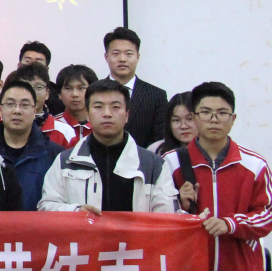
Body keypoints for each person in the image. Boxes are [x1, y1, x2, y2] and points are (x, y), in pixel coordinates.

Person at [163, 82, 272, 271]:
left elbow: (269, 214)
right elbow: (156, 216)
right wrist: (180, 207)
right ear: (194, 117)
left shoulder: (254, 165)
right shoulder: (170, 162)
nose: (214, 119)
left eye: (222, 113)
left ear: (233, 119)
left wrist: (231, 224)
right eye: (206, 112)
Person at [38, 79, 178, 214]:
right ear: (87, 114)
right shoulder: (65, 162)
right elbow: (47, 206)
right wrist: (76, 212)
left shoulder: (153, 165)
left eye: (115, 107)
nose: (107, 114)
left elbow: (167, 217)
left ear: (127, 115)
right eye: (98, 107)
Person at [0, 81, 65, 211]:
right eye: (10, 104)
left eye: (24, 105)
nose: (17, 110)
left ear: (34, 111)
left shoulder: (55, 155)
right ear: (0, 110)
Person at [104, 27, 168, 146]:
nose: (122, 59)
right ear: (106, 57)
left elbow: (159, 139)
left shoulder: (156, 96)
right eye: (116, 54)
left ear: (137, 57)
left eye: (129, 54)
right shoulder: (94, 92)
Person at [6, 63, 74, 147]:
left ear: (47, 93)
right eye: (27, 86)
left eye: (38, 87)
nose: (33, 93)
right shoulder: (2, 127)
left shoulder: (65, 132)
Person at [55, 64, 98, 147]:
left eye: (81, 88)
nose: (75, 94)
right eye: (68, 88)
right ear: (59, 94)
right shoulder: (53, 126)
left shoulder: (101, 124)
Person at [18, 40, 64, 114]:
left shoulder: (58, 100)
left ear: (47, 69)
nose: (32, 65)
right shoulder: (5, 94)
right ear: (19, 66)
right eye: (27, 61)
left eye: (38, 62)